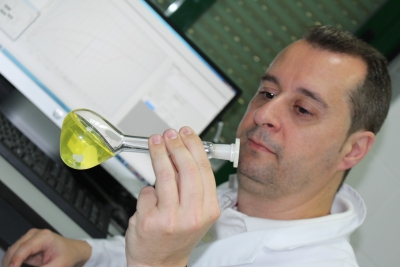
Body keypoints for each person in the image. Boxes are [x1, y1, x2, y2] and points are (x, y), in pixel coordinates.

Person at [2, 25, 392, 267]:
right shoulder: (239, 198)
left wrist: (160, 263)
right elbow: (131, 253)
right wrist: (85, 253)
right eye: (267, 91)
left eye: (303, 109)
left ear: (353, 150)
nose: (263, 114)